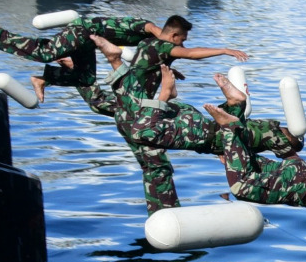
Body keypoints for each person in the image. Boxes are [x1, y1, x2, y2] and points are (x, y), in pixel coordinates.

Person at [102, 21, 254, 212]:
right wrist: (224, 50)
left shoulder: (147, 44)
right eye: (182, 41)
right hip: (139, 112)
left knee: (152, 165)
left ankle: (159, 213)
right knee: (157, 166)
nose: (182, 46)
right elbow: (191, 54)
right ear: (174, 36)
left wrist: (168, 70)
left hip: (127, 107)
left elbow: (144, 66)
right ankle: (167, 213)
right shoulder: (165, 46)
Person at [0, 14, 159, 102]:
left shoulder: (149, 43)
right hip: (83, 31)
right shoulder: (150, 28)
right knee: (46, 52)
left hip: (88, 43)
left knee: (85, 79)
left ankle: (44, 79)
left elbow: (151, 56)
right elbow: (161, 35)